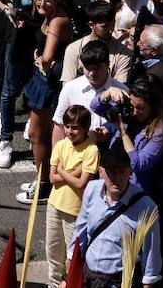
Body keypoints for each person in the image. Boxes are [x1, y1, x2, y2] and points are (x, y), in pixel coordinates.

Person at [71, 145, 163, 287]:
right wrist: (71, 263)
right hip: (87, 277)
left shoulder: (147, 207)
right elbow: (80, 230)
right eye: (112, 172)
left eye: (122, 172)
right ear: (101, 172)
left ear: (130, 173)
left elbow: (151, 253)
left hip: (118, 282)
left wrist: (148, 284)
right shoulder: (91, 190)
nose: (118, 178)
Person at [46, 105, 99, 287]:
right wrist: (74, 172)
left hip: (75, 210)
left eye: (75, 127)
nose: (70, 131)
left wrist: (62, 170)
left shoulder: (91, 150)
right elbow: (52, 178)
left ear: (85, 128)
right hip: (54, 204)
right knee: (53, 250)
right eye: (67, 126)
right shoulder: (61, 145)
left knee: (72, 253)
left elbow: (81, 183)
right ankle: (53, 283)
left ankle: (69, 283)